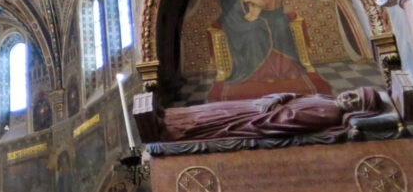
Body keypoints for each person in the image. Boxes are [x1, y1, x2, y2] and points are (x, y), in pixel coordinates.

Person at [163, 87, 384, 141]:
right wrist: (279, 97)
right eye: (353, 93)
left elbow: (287, 122)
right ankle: (168, 119)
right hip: (260, 106)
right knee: (208, 109)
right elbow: (296, 96)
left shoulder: (331, 112)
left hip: (254, 117)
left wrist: (264, 112)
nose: (349, 97)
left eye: (355, 101)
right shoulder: (327, 99)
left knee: (209, 118)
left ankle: (169, 127)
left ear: (359, 111)